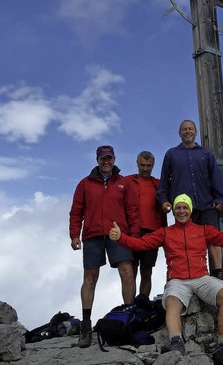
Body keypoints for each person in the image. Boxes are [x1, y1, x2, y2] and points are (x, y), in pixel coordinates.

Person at [109, 193, 223, 365]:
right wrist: (121, 237)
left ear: (190, 210)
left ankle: (222, 348)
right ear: (173, 211)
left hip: (202, 278)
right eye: (178, 208)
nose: (181, 211)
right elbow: (141, 244)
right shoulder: (165, 232)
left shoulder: (203, 229)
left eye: (185, 208)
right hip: (177, 280)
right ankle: (176, 342)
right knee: (172, 301)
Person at [69, 145, 140, 348]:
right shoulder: (85, 184)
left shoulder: (124, 183)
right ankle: (85, 325)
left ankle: (129, 317)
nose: (106, 161)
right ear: (97, 159)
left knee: (127, 272)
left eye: (109, 158)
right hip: (92, 235)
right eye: (103, 158)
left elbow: (132, 211)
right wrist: (75, 235)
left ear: (114, 158)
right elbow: (76, 211)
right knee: (89, 278)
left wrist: (133, 237)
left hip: (118, 234)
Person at [157, 120, 223, 281]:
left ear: (195, 132)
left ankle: (218, 274)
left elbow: (215, 178)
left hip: (206, 204)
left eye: (190, 129)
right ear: (179, 133)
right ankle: (192, 277)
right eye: (184, 129)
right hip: (183, 209)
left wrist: (220, 200)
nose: (187, 131)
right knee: (186, 242)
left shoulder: (206, 153)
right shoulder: (171, 154)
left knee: (213, 238)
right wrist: (164, 200)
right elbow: (164, 182)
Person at [127, 151, 168, 299]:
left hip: (152, 233)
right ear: (137, 164)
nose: (145, 169)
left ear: (153, 166)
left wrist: (165, 233)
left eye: (148, 166)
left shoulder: (158, 185)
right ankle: (129, 305)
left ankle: (142, 302)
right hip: (131, 232)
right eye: (142, 165)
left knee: (147, 270)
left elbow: (164, 210)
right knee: (130, 270)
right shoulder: (127, 182)